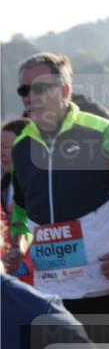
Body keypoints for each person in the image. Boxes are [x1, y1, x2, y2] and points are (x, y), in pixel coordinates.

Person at [2, 53, 109, 342]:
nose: (30, 97)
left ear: (65, 90)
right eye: (24, 90)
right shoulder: (22, 147)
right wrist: (17, 244)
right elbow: (21, 210)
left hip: (100, 284)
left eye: (40, 88)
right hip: (48, 291)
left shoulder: (102, 134)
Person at [1, 120, 32, 285]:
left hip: (41, 282)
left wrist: (25, 263)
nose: (1, 153)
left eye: (6, 147)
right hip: (11, 281)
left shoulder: (40, 187)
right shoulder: (4, 186)